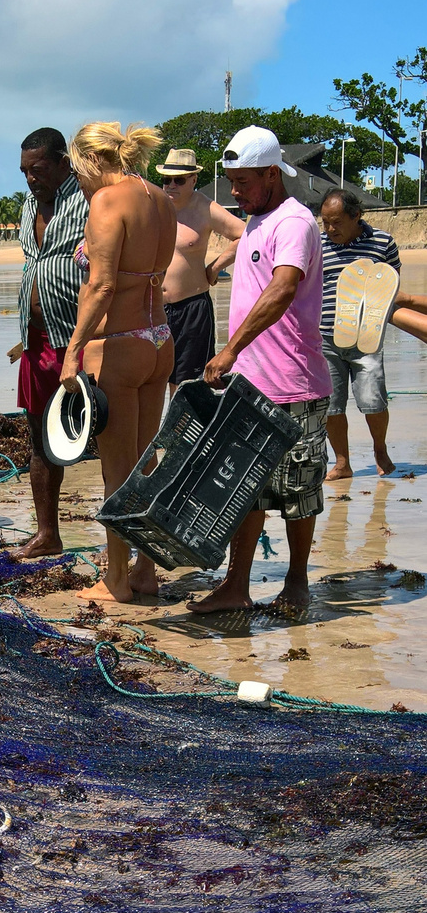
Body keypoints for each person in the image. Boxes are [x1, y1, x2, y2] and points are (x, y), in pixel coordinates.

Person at [189, 126, 331, 615]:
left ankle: (296, 581)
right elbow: (252, 258)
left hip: (294, 384)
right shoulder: (257, 219)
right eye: (231, 180)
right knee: (242, 491)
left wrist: (229, 349)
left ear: (272, 173)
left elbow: (283, 288)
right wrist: (220, 258)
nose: (234, 191)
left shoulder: (295, 222)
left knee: (298, 492)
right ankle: (236, 585)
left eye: (243, 181)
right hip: (249, 385)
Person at [59, 122, 176, 603]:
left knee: (117, 467)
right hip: (159, 339)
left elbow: (102, 285)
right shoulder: (160, 199)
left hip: (121, 344)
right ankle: (145, 570)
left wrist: (72, 350)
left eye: (76, 170)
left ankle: (116, 579)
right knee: (146, 460)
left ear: (90, 161)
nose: (78, 183)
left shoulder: (106, 202)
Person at [10, 127, 89, 558]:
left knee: (112, 438)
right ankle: (47, 535)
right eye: (24, 171)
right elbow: (34, 265)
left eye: (38, 170)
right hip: (35, 339)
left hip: (79, 338)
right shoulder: (26, 205)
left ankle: (134, 545)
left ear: (63, 162)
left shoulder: (89, 199)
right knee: (39, 437)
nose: (30, 179)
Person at [318, 188, 403, 479]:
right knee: (331, 405)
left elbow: (391, 285)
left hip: (368, 337)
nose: (330, 229)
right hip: (325, 336)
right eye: (325, 222)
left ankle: (380, 449)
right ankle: (342, 462)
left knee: (373, 399)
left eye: (336, 222)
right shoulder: (316, 244)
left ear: (357, 216)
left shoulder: (382, 242)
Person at [157, 148, 241, 390]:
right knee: (150, 380)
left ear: (193, 179)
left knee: (187, 385)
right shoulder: (156, 205)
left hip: (191, 308)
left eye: (179, 180)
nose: (171, 185)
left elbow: (244, 235)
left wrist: (216, 267)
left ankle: (182, 428)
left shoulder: (205, 208)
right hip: (154, 308)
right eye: (166, 180)